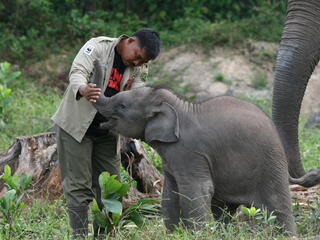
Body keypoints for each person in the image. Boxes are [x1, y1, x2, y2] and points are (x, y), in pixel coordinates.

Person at [51, 28, 161, 238]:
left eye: (142, 61)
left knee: (111, 188)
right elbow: (77, 72)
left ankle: (103, 236)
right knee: (78, 187)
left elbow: (137, 94)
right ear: (129, 41)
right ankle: (80, 235)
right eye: (137, 56)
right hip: (77, 128)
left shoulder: (140, 66)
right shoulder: (99, 46)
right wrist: (83, 88)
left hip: (107, 132)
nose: (137, 63)